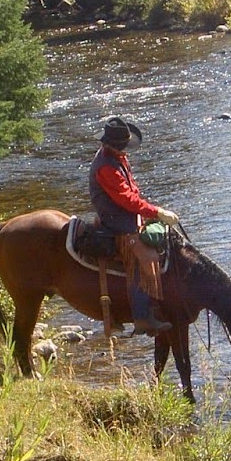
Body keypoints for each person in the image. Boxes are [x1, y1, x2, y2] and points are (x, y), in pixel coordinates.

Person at [89, 116, 180, 335]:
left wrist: (146, 211)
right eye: (122, 147)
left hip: (125, 215)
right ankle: (142, 318)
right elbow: (126, 199)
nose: (125, 150)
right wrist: (156, 211)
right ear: (112, 145)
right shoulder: (106, 168)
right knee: (143, 258)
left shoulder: (116, 158)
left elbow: (132, 190)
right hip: (116, 221)